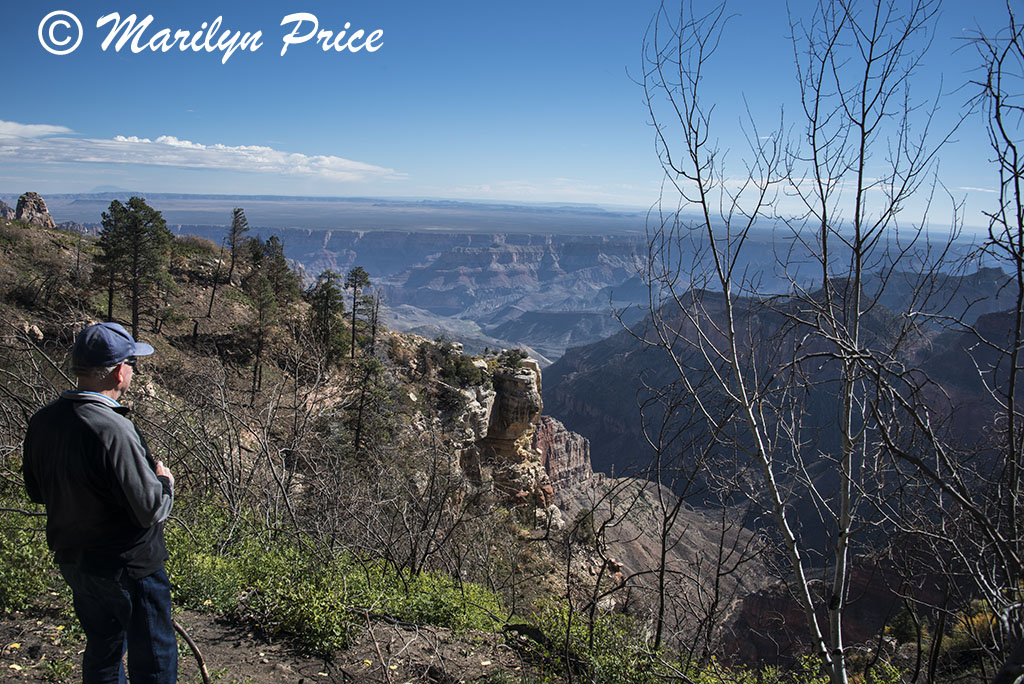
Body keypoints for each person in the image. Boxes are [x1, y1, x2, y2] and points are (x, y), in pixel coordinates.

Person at [23, 321, 177, 684]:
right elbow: (150, 510)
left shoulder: (43, 421)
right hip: (129, 566)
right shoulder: (112, 428)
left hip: (77, 559)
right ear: (121, 370)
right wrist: (165, 481)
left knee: (103, 651)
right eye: (132, 365)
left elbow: (36, 491)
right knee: (153, 655)